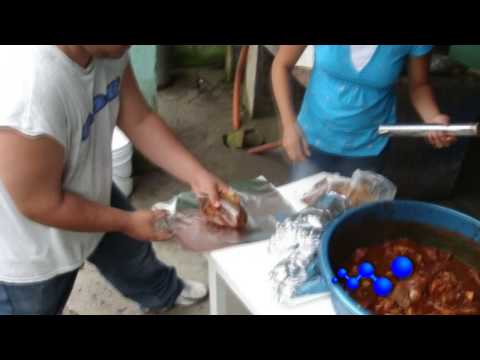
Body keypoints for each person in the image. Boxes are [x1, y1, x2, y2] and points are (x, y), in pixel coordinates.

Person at [0, 45, 228, 315]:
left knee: (132, 255)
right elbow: (41, 205)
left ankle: (163, 291)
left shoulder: (108, 50)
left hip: (85, 184)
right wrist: (126, 222)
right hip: (31, 245)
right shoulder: (28, 92)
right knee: (40, 303)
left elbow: (138, 118)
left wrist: (196, 174)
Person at [271, 45, 457, 180]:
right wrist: (289, 124)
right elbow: (281, 65)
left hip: (368, 147)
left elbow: (419, 86)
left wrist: (433, 118)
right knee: (302, 219)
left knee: (351, 226)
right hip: (311, 142)